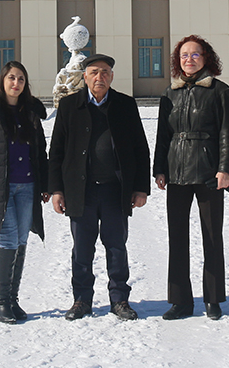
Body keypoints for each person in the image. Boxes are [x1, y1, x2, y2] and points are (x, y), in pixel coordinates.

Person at [48, 53, 151, 321]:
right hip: (81, 191)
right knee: (82, 249)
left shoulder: (125, 105)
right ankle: (82, 299)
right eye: (94, 72)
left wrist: (141, 187)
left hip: (115, 190)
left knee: (116, 247)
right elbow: (56, 150)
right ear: (85, 76)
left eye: (105, 72)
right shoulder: (70, 106)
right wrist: (57, 190)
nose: (99, 77)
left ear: (112, 76)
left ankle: (119, 299)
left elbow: (141, 147)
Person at [153, 35, 229, 320]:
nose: (189, 60)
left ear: (206, 58)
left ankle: (212, 299)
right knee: (177, 237)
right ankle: (180, 301)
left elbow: (227, 134)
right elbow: (163, 136)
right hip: (176, 172)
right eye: (184, 55)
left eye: (195, 54)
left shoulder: (219, 91)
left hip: (209, 172)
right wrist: (159, 168)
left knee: (212, 236)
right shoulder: (170, 93)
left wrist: (224, 169)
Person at [0, 61, 50, 323]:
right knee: (9, 241)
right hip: (0, 189)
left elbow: (41, 152)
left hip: (28, 187)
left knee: (22, 241)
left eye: (21, 80)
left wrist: (46, 184)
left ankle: (14, 299)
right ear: (3, 81)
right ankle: (2, 302)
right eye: (11, 78)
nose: (16, 84)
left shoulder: (30, 113)